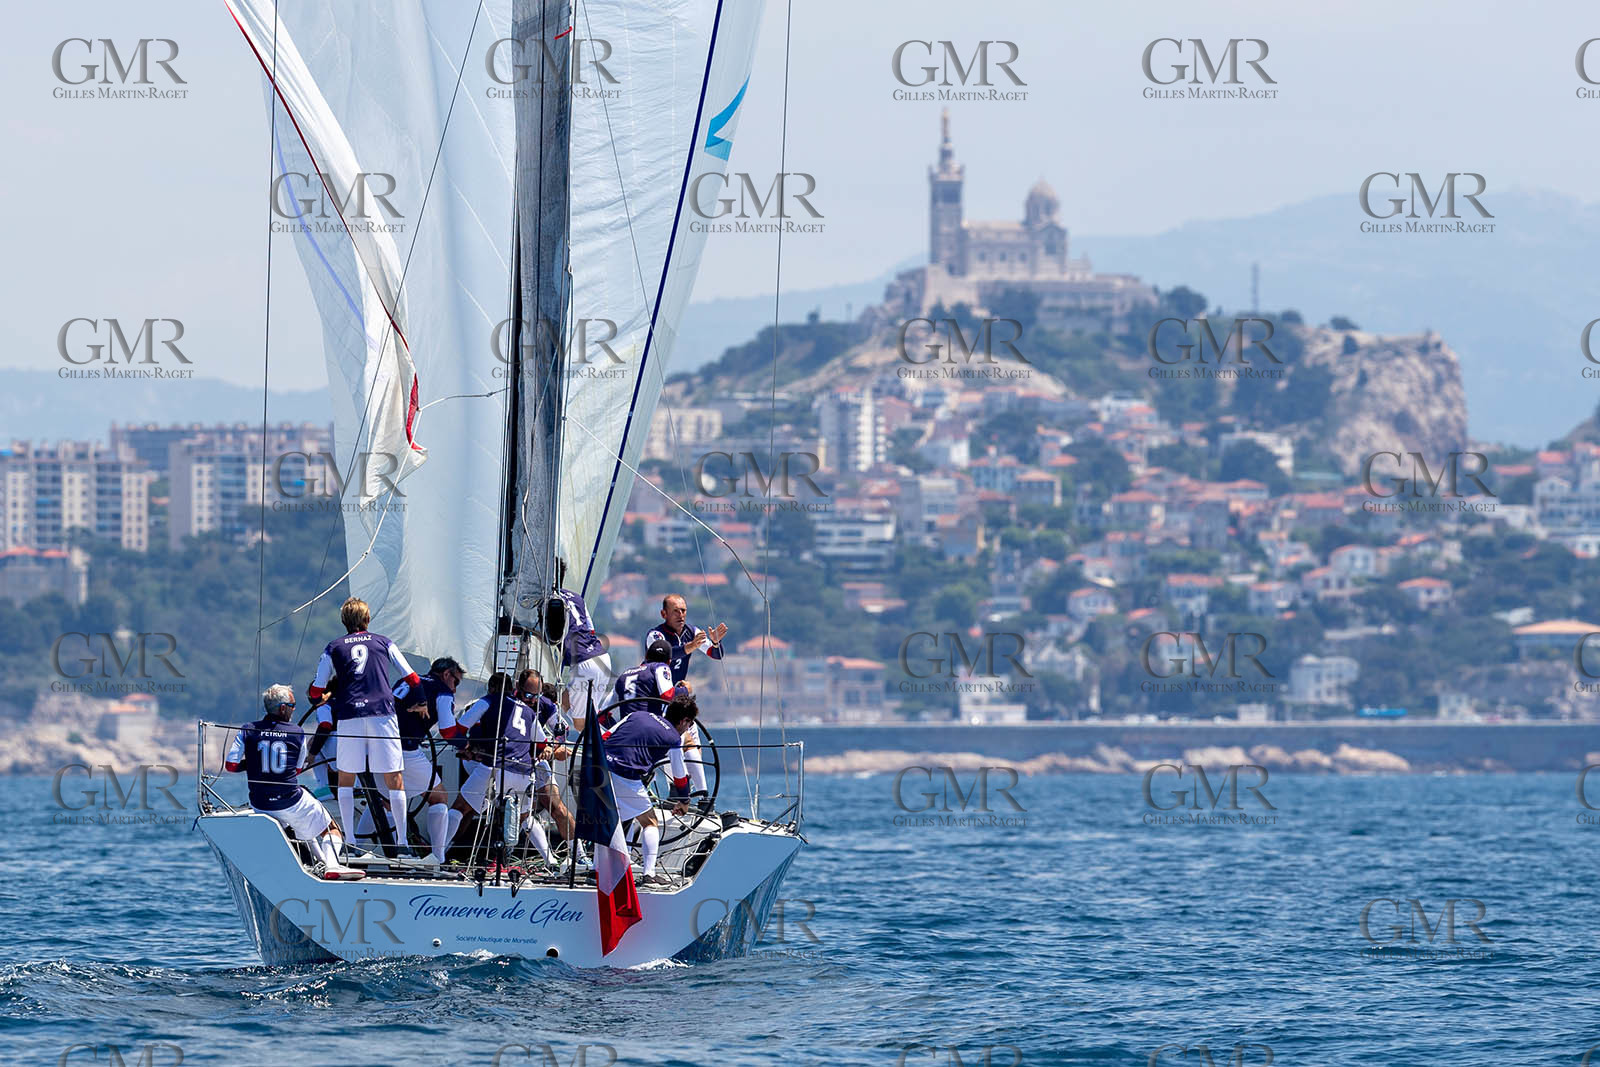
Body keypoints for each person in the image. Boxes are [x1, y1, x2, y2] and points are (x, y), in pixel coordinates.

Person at [307, 597, 420, 856]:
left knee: (346, 778)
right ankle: (402, 844)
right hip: (382, 714)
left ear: (344, 621)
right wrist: (421, 699)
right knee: (394, 778)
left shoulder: (333, 647)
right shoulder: (384, 642)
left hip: (350, 716)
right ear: (367, 620)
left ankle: (352, 842)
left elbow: (316, 688)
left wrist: (317, 699)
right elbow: (411, 677)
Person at [224, 685, 361, 880]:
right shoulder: (296, 732)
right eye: (292, 705)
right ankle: (332, 865)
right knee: (331, 829)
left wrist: (254, 763)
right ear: (282, 708)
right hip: (289, 800)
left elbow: (231, 765)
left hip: (260, 803)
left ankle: (317, 863)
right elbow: (296, 769)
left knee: (299, 823)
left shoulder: (248, 729)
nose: (294, 709)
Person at [441, 673, 546, 864]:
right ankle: (551, 861)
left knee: (460, 807)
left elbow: (461, 728)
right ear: (513, 689)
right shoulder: (530, 712)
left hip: (495, 767)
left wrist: (465, 747)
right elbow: (541, 744)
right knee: (524, 816)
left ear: (490, 688)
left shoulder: (489, 700)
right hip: (522, 771)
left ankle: (438, 856)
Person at [603, 691, 698, 886]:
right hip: (625, 776)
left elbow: (605, 736)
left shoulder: (637, 714)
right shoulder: (674, 738)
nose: (689, 728)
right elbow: (679, 775)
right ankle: (649, 874)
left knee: (610, 821)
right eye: (690, 724)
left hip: (598, 768)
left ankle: (598, 871)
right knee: (650, 822)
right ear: (684, 721)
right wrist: (685, 800)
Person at [645, 594, 724, 797]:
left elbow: (717, 655)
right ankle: (678, 790)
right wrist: (693, 646)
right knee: (675, 744)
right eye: (675, 611)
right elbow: (668, 653)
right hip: (660, 699)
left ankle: (701, 796)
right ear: (664, 614)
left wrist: (715, 643)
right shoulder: (655, 635)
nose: (681, 615)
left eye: (683, 610)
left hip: (680, 699)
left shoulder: (692, 632)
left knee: (693, 744)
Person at [391, 657, 466, 865]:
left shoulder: (405, 681)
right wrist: (466, 745)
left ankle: (358, 850)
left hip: (382, 746)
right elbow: (448, 731)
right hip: (406, 749)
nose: (455, 689)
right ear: (446, 675)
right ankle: (438, 858)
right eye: (456, 683)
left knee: (385, 800)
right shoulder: (442, 692)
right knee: (439, 796)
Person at [542, 588, 611, 720]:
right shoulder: (577, 597)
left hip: (584, 663)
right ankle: (603, 735)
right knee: (564, 703)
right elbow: (590, 630)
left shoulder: (546, 599)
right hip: (601, 656)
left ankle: (607, 738)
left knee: (581, 724)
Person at [607, 640, 676, 729]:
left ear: (646, 656)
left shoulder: (623, 675)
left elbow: (601, 715)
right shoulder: (660, 667)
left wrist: (618, 729)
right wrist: (684, 689)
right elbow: (667, 695)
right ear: (669, 662)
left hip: (626, 735)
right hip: (650, 731)